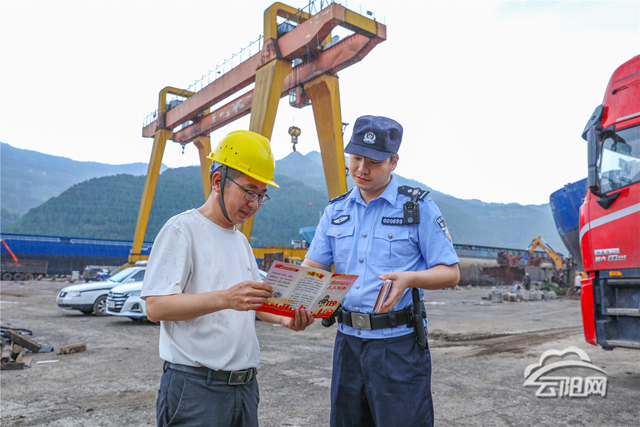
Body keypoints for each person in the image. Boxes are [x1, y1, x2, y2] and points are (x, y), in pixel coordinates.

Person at [141, 130, 314, 427]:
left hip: (244, 387)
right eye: (249, 191)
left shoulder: (241, 241)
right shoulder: (181, 230)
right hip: (195, 388)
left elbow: (253, 303)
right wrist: (225, 298)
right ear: (218, 181)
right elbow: (155, 306)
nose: (254, 204)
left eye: (261, 195)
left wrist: (286, 319)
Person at [302, 115, 460, 427]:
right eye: (356, 158)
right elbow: (312, 267)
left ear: (393, 162)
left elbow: (451, 272)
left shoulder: (416, 208)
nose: (362, 169)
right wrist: (288, 296)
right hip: (347, 345)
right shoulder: (335, 211)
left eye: (373, 162)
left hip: (397, 348)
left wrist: (410, 279)